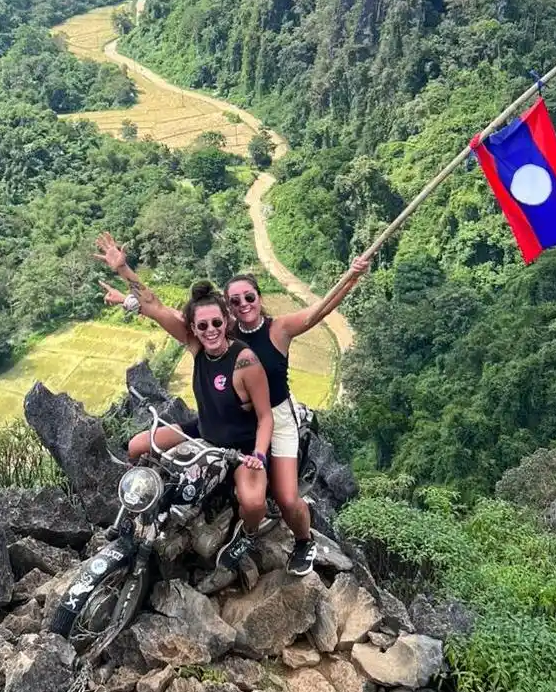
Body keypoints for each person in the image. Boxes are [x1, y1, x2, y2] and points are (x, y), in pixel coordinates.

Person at [95, 232, 369, 576]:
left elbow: (319, 311)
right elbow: (165, 311)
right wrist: (126, 282)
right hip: (221, 417)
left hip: (274, 417)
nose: (243, 305)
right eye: (234, 301)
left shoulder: (276, 330)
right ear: (227, 309)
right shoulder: (221, 332)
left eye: (249, 297)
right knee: (138, 446)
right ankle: (140, 508)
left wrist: (351, 277)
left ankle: (299, 540)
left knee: (285, 497)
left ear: (259, 298)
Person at [118, 278, 273, 573]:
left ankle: (248, 534)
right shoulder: (197, 348)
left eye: (216, 323)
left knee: (253, 504)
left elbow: (266, 417)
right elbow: (155, 306)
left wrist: (259, 455)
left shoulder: (245, 362)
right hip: (203, 429)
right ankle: (140, 507)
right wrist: (123, 269)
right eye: (202, 326)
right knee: (137, 446)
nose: (210, 330)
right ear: (194, 328)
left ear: (226, 321)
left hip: (240, 446)